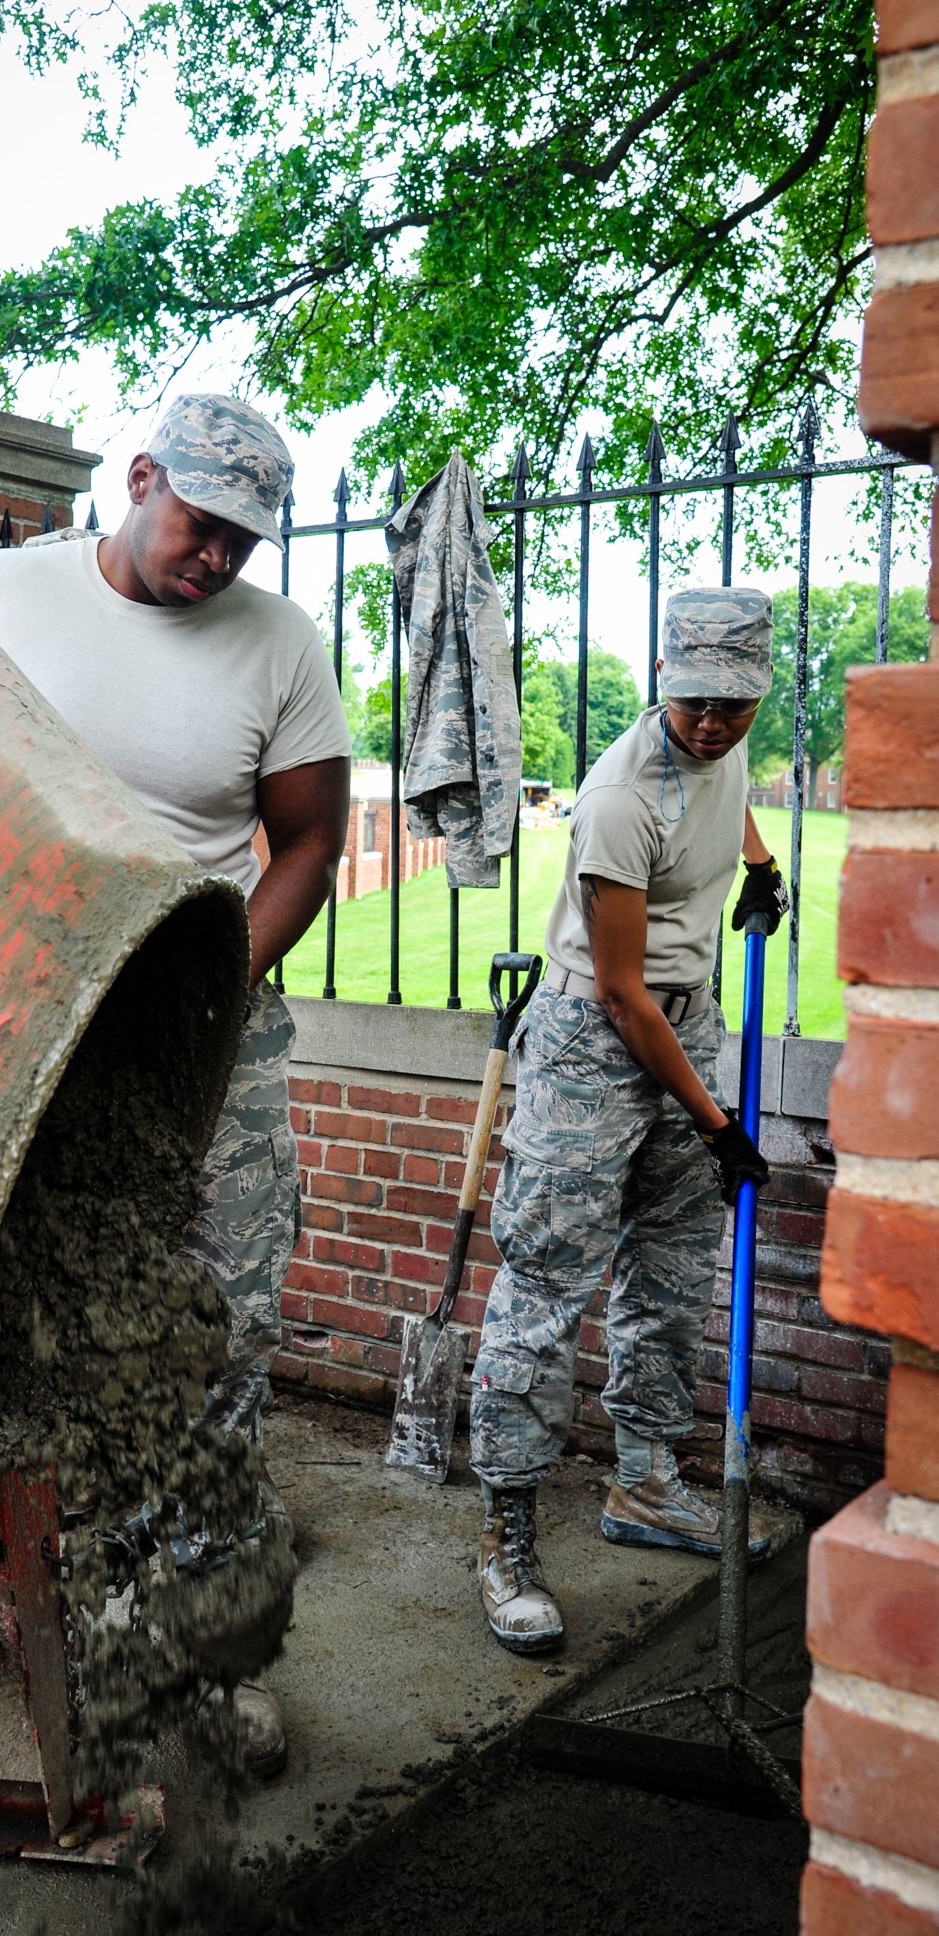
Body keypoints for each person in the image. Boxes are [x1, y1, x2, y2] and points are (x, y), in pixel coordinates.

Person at [0, 394, 350, 1769]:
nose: (218, 563)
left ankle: (205, 1660)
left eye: (245, 543)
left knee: (218, 1335)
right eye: (200, 527)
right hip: (21, 1032)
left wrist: (210, 988)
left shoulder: (278, 645)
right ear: (136, 482)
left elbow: (306, 842)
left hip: (205, 1035)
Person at [470, 586, 789, 1654]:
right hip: (592, 1041)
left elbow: (725, 781)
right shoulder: (616, 797)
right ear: (663, 683)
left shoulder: (728, 743)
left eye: (731, 705)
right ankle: (503, 1531)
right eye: (692, 701)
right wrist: (714, 1123)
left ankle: (645, 1481)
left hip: (683, 1021)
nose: (710, 723)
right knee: (545, 1281)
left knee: (671, 1261)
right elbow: (619, 992)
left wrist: (755, 862)